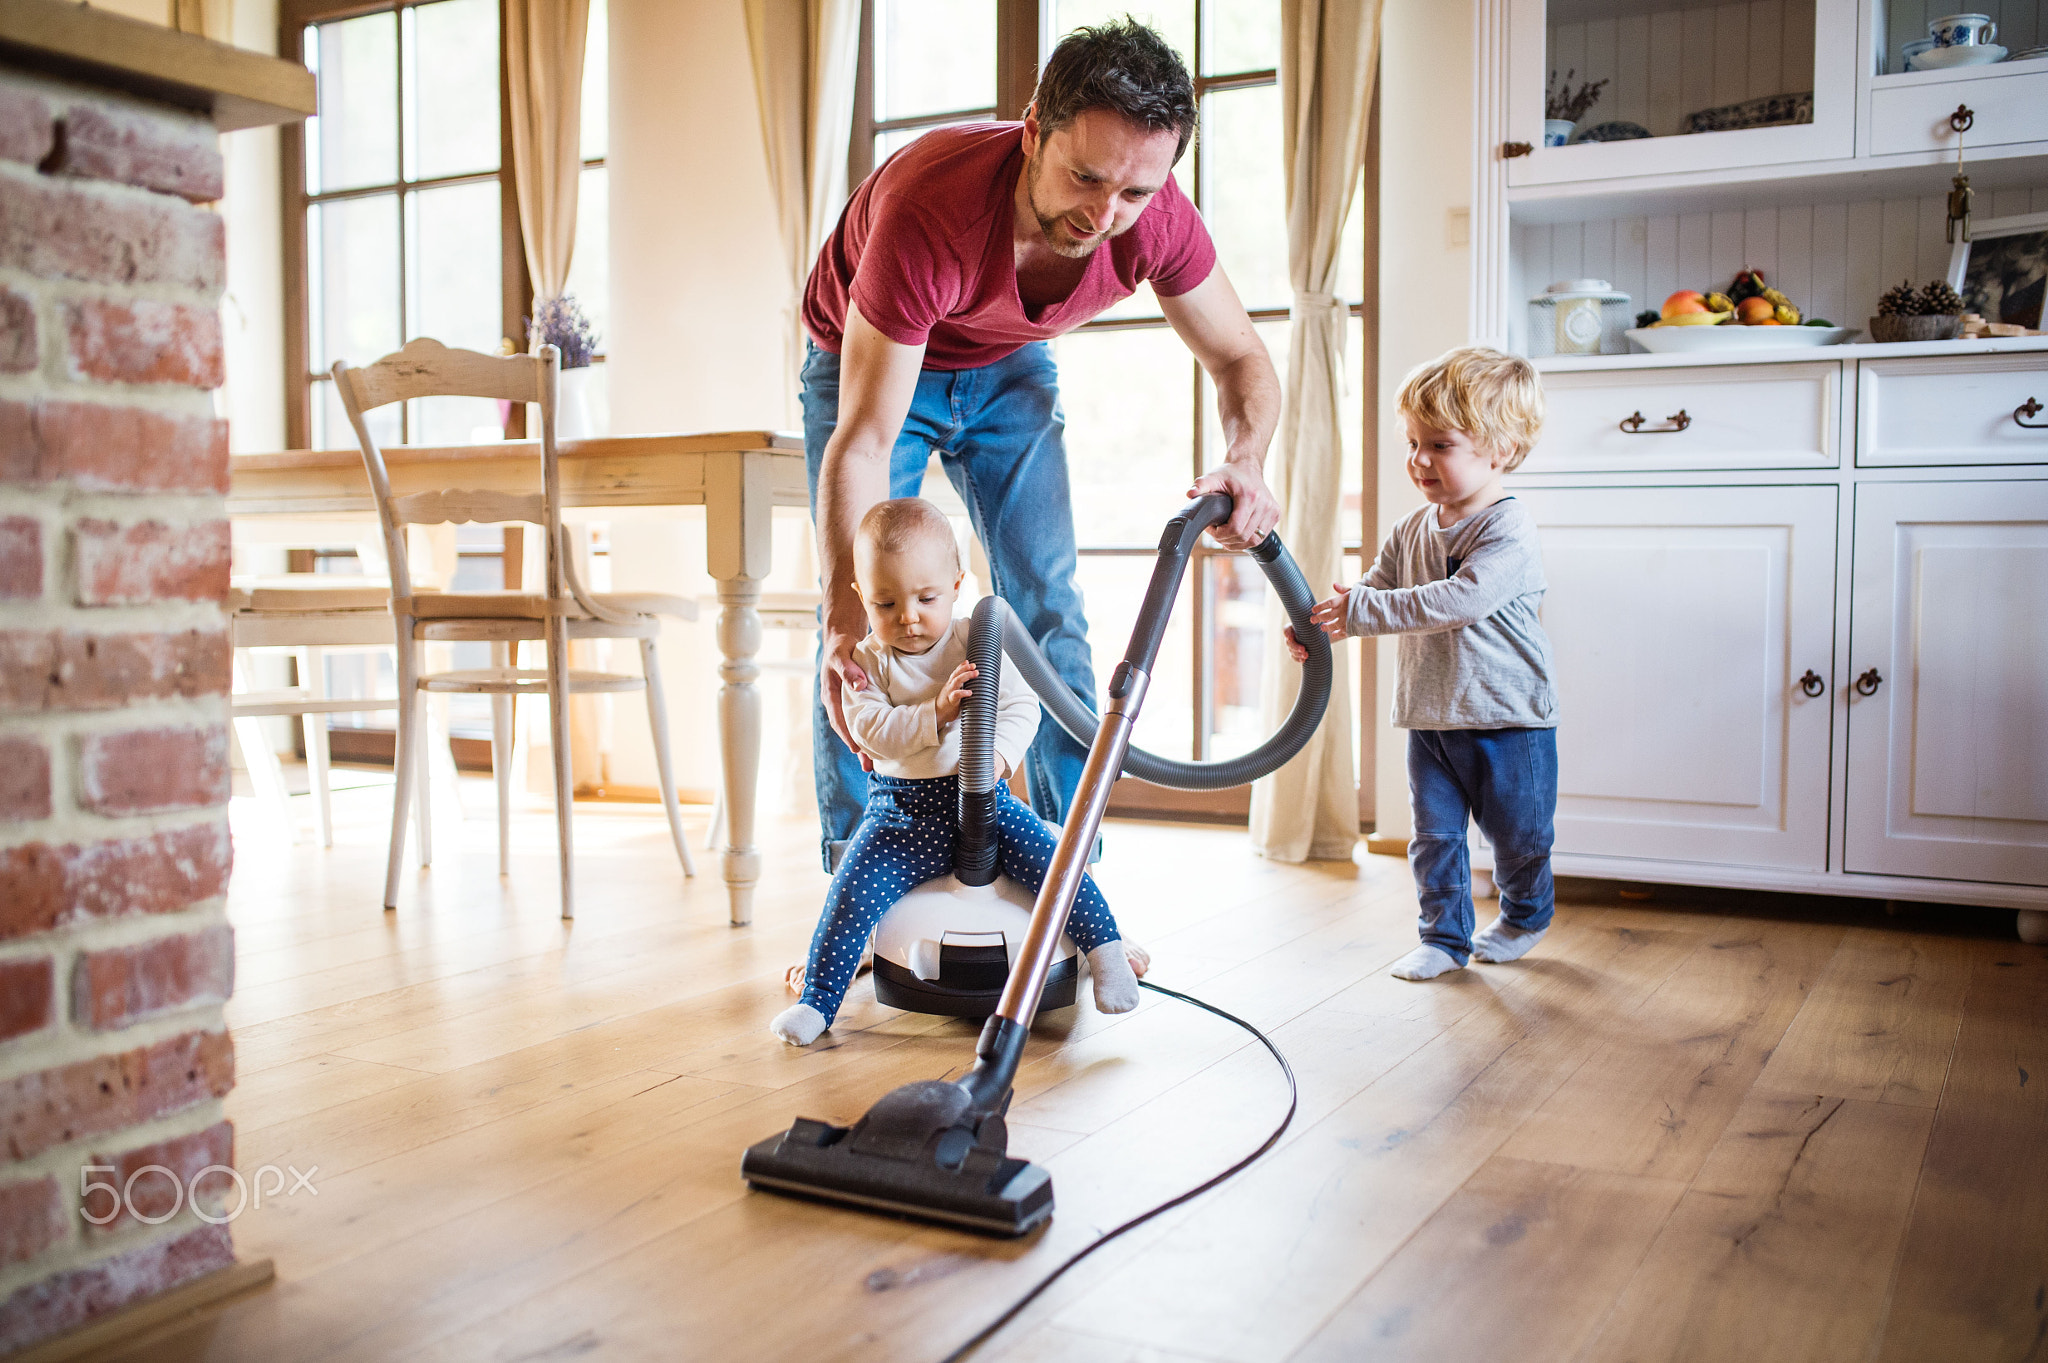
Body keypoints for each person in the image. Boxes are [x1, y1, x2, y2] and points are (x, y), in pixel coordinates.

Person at [801, 18, 1281, 870]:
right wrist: (842, 615)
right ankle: (859, 881)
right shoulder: (931, 208)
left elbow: (1242, 355)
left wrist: (1247, 459)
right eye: (1086, 177)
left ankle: (1067, 879)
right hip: (872, 364)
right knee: (861, 628)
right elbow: (866, 438)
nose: (1105, 215)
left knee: (1050, 609)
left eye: (1134, 193)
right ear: (1032, 132)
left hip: (1008, 362)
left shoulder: (1155, 216)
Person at [772, 499, 1147, 1047]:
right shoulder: (867, 662)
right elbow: (872, 731)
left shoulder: (978, 637)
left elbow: (1023, 707)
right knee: (850, 894)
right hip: (899, 815)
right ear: (861, 597)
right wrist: (936, 714)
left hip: (985, 804)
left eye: (927, 598)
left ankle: (1105, 954)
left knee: (1057, 864)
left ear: (956, 584)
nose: (908, 616)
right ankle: (818, 1003)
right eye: (885, 602)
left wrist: (995, 759)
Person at [1287, 348, 1558, 982]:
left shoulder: (1508, 528)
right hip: (1430, 717)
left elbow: (1461, 600)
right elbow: (1375, 592)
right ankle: (1443, 938)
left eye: (1439, 445)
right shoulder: (1411, 528)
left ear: (1502, 449)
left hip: (1507, 719)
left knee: (1517, 839)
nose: (1418, 460)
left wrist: (1364, 611)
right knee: (1434, 839)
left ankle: (1524, 916)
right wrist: (1323, 624)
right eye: (1413, 443)